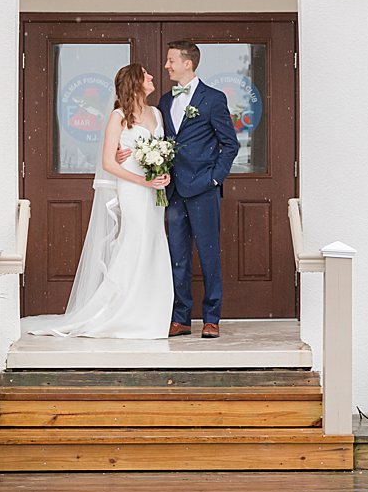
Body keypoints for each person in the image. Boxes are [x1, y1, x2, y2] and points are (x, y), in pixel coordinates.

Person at [22, 63, 173, 339]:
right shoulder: (118, 117)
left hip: (154, 191)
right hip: (133, 189)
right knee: (135, 241)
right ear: (136, 83)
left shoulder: (156, 113)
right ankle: (120, 312)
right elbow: (107, 162)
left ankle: (149, 313)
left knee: (154, 243)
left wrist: (162, 175)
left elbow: (161, 152)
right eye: (146, 75)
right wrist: (143, 181)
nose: (152, 77)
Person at [151, 41, 239, 339]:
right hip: (173, 191)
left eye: (171, 59)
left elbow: (230, 144)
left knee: (209, 254)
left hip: (203, 189)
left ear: (187, 63)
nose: (167, 65)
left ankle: (212, 317)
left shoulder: (213, 99)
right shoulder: (164, 101)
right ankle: (181, 317)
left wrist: (214, 179)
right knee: (178, 255)